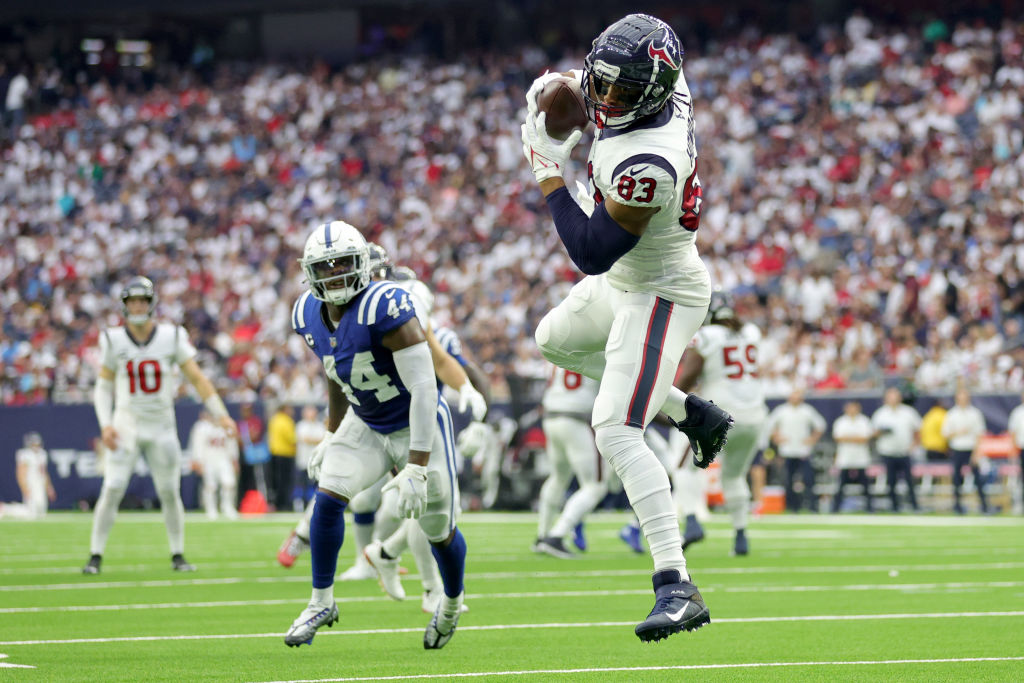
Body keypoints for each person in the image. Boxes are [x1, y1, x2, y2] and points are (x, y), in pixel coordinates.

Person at [521, 12, 732, 642]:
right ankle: (692, 412)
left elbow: (589, 250)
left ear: (655, 91)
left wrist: (547, 171)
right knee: (553, 338)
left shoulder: (648, 158)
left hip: (659, 290)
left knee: (614, 428)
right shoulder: (660, 84)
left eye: (620, 91)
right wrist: (559, 90)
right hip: (627, 283)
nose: (604, 98)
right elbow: (605, 81)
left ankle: (677, 586)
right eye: (600, 81)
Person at [283, 221, 470, 650]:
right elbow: (335, 371)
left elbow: (424, 389)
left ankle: (451, 602)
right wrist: (332, 434)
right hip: (366, 421)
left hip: (415, 425)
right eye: (324, 268)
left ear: (363, 265)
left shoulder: (387, 306)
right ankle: (320, 602)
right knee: (328, 496)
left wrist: (418, 466)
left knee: (437, 528)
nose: (335, 275)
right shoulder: (306, 312)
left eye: (343, 264)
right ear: (310, 273)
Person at [84, 276, 237, 574]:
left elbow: (197, 378)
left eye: (143, 300)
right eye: (133, 301)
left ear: (151, 304)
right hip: (126, 424)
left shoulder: (172, 336)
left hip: (162, 425)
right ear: (125, 306)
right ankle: (95, 554)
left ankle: (177, 554)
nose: (138, 306)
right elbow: (103, 387)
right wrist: (105, 424)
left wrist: (220, 414)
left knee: (169, 491)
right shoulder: (113, 339)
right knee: (113, 487)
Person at [671, 290, 768, 555]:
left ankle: (691, 522)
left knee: (683, 469)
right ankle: (740, 536)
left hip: (720, 415)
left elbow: (684, 382)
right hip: (754, 415)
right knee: (735, 475)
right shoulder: (751, 332)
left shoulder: (707, 337)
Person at [533, 365, 608, 559]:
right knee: (595, 486)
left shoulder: (562, 341)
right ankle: (556, 536)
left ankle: (543, 535)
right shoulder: (597, 343)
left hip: (551, 416)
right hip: (576, 417)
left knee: (558, 477)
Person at [766, 388, 826, 513]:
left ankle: (811, 506)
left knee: (808, 479)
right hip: (787, 451)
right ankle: (792, 506)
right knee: (788, 480)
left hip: (803, 451)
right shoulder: (781, 411)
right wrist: (777, 437)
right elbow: (769, 426)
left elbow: (820, 425)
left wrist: (812, 439)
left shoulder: (807, 410)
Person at [871, 387, 922, 512]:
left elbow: (918, 431)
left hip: (905, 451)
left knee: (909, 480)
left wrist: (914, 445)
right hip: (887, 451)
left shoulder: (909, 412)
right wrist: (882, 432)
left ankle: (914, 505)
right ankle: (894, 506)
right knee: (891, 481)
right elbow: (873, 433)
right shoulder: (880, 413)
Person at [941, 387, 989, 514]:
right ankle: (957, 506)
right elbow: (945, 434)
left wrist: (976, 453)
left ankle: (984, 506)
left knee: (978, 478)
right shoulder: (951, 414)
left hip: (971, 448)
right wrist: (958, 432)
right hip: (957, 449)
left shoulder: (975, 413)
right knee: (957, 479)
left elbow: (980, 434)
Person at [188, 409, 240, 520]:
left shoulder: (226, 426)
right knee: (210, 486)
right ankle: (211, 509)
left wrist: (234, 459)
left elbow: (232, 443)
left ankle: (227, 507)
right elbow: (197, 445)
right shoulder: (202, 427)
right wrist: (197, 461)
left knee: (229, 483)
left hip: (223, 459)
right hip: (209, 460)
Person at [830, 401, 875, 513]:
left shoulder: (864, 421)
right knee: (841, 485)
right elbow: (838, 438)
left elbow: (865, 438)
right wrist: (855, 438)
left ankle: (869, 508)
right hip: (845, 458)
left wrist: (848, 438)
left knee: (865, 485)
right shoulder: (841, 421)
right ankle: (836, 507)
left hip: (860, 458)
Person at [0, 432, 55, 519]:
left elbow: (44, 472)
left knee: (41, 510)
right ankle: (6, 508)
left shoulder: (42, 454)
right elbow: (20, 473)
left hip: (40, 483)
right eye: (34, 443)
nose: (36, 446)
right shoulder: (24, 454)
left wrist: (49, 487)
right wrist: (25, 488)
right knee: (31, 512)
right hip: (30, 482)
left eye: (37, 443)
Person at [267, 403, 297, 512]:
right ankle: (283, 504)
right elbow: (292, 439)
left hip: (274, 453)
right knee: (285, 482)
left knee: (276, 481)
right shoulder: (286, 421)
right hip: (285, 454)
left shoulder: (274, 419)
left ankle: (275, 503)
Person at [1007, 391, 1024, 515]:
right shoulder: (1018, 412)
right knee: (1021, 478)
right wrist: (1013, 450)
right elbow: (1012, 433)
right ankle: (1020, 504)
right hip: (1021, 448)